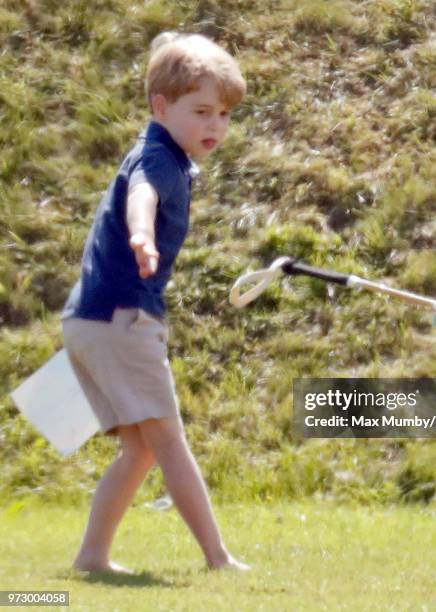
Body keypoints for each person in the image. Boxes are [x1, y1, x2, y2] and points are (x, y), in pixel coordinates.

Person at [61, 31, 249, 573]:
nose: (215, 125)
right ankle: (218, 558)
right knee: (168, 440)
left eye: (224, 114)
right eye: (202, 111)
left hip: (89, 318)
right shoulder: (160, 160)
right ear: (160, 106)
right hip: (123, 318)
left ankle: (92, 557)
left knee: (141, 449)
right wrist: (141, 235)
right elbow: (143, 197)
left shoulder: (159, 148)